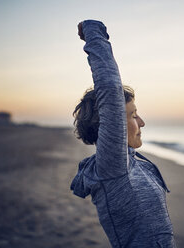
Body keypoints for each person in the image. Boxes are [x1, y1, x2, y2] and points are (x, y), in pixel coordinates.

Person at [70, 20, 175, 248]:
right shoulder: (114, 166)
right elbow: (109, 88)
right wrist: (93, 32)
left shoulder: (131, 163)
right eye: (133, 115)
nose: (142, 122)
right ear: (110, 124)